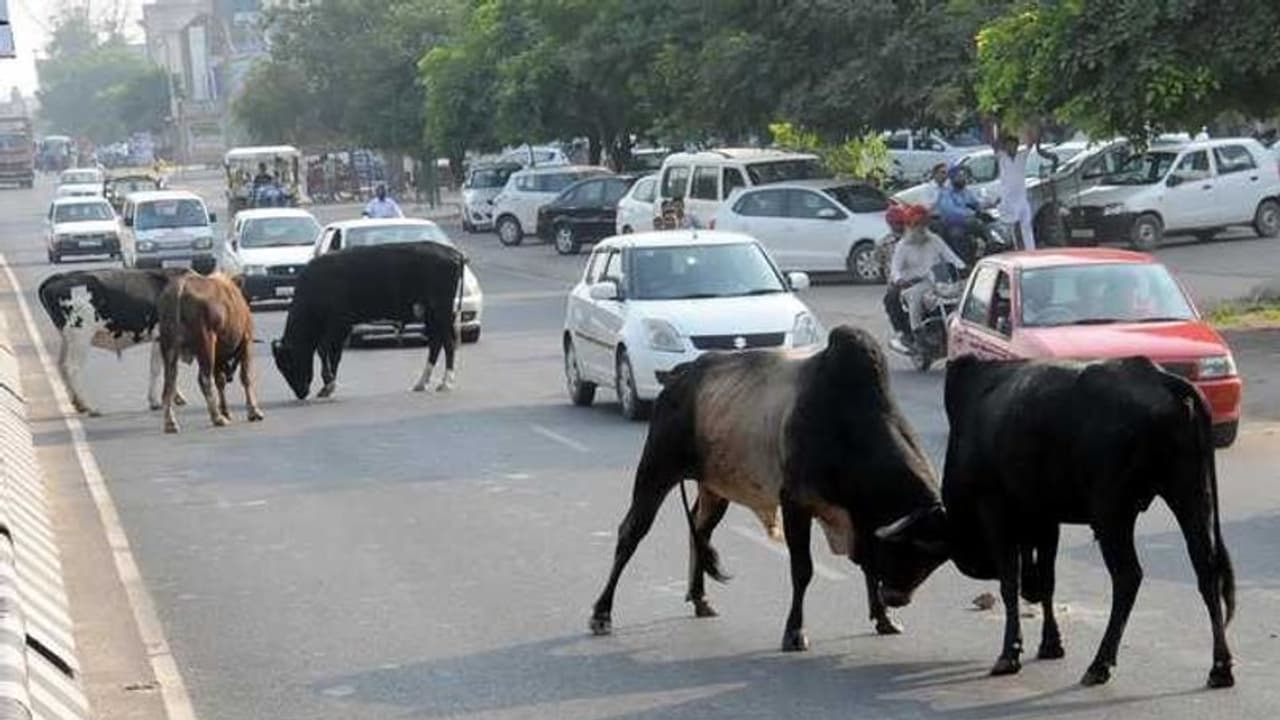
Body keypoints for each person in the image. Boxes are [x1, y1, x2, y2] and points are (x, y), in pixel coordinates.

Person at [887, 204, 966, 352]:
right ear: (909, 226)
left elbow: (951, 257)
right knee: (916, 297)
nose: (920, 228)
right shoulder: (903, 246)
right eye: (916, 224)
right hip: (914, 284)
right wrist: (899, 280)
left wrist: (964, 268)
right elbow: (895, 270)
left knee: (964, 294)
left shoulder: (935, 240)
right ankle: (918, 335)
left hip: (939, 281)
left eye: (923, 224)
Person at [993, 126, 1037, 250]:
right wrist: (996, 126)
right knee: (1013, 227)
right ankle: (1017, 250)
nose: (1011, 148)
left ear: (1017, 146)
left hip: (1021, 197)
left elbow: (1031, 143)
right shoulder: (1002, 156)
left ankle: (1030, 250)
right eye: (1008, 145)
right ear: (1005, 146)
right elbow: (994, 144)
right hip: (1008, 199)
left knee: (1026, 225)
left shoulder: (1021, 156)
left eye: (1013, 145)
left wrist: (1028, 125)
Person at [936, 164, 984, 262]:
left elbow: (975, 202)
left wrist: (987, 204)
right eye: (960, 176)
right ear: (952, 178)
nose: (963, 179)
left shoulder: (965, 191)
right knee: (957, 234)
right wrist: (970, 213)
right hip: (953, 224)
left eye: (964, 176)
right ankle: (964, 262)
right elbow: (950, 211)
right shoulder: (946, 193)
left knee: (987, 227)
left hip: (969, 222)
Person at [881, 204, 913, 343]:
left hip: (918, 278)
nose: (899, 226)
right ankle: (903, 332)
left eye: (901, 222)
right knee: (890, 299)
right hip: (898, 283)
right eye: (896, 223)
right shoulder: (884, 243)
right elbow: (883, 264)